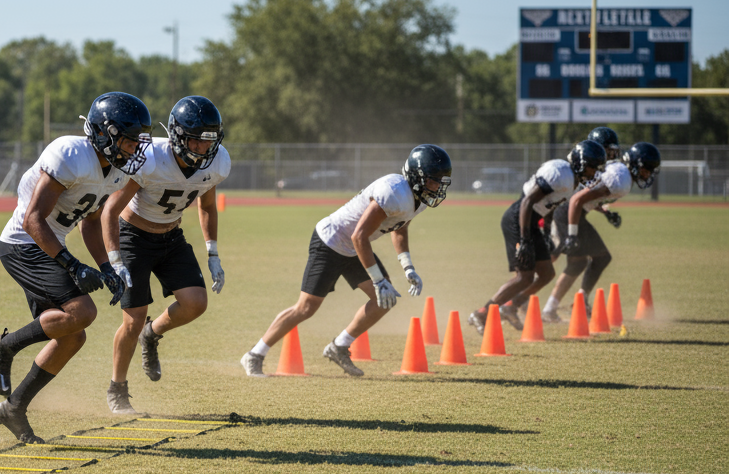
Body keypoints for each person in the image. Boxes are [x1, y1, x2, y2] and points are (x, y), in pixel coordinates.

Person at [0, 92, 139, 442]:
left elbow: (90, 221)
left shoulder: (116, 170)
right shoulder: (71, 154)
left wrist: (106, 267)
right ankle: (4, 346)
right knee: (83, 312)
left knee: (72, 337)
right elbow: (32, 220)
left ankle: (14, 408)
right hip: (23, 243)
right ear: (105, 134)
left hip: (49, 244)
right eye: (129, 140)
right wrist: (72, 264)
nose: (134, 148)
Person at [240, 146, 452, 377]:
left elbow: (399, 228)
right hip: (331, 241)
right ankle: (254, 354)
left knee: (384, 300)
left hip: (354, 248)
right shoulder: (393, 192)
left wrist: (407, 266)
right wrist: (378, 279)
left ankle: (339, 346)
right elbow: (358, 236)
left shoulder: (419, 200)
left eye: (441, 182)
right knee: (306, 307)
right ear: (417, 177)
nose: (438, 187)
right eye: (434, 181)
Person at [99, 96, 231, 413]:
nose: (202, 148)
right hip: (133, 236)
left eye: (208, 141)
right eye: (195, 140)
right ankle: (117, 388)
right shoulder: (149, 159)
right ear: (176, 135)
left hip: (171, 236)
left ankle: (152, 333)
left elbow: (207, 205)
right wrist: (114, 259)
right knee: (133, 319)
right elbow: (110, 211)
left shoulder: (217, 162)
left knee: (196, 302)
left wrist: (213, 252)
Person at [467, 140, 606, 334]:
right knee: (524, 277)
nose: (595, 173)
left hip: (532, 222)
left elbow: (550, 205)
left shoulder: (572, 180)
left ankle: (511, 306)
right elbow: (527, 201)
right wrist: (524, 239)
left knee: (547, 273)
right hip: (518, 220)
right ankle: (481, 313)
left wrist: (547, 231)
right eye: (593, 167)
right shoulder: (560, 172)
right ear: (581, 163)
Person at [537, 141, 661, 322]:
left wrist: (606, 212)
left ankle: (553, 307)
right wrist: (572, 233)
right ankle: (526, 299)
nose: (648, 174)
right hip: (569, 212)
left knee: (580, 262)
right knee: (587, 258)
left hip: (572, 212)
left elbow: (589, 196)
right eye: (646, 169)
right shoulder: (621, 179)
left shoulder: (621, 174)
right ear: (636, 164)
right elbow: (577, 200)